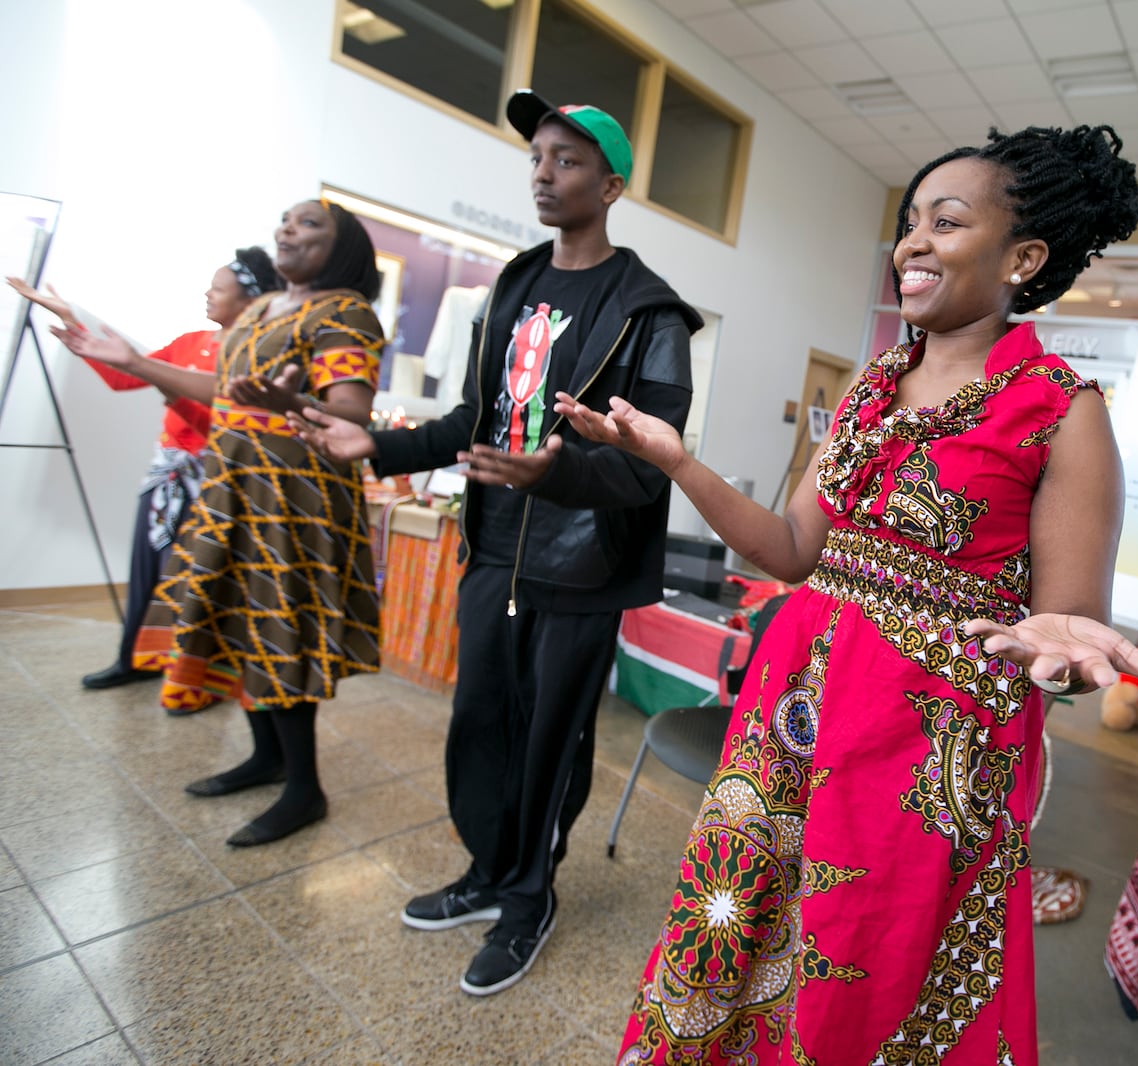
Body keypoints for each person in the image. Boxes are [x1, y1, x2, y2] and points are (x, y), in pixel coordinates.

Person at [557, 125, 1138, 1064]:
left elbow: (1067, 642)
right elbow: (793, 549)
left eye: (947, 221)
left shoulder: (1062, 410)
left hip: (926, 750)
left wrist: (1059, 654)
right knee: (737, 926)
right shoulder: (869, 386)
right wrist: (678, 463)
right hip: (790, 712)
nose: (914, 243)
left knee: (859, 967)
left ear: (1024, 257)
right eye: (908, 223)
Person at [291, 91, 698, 997]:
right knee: (480, 726)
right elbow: (478, 417)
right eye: (538, 158)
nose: (545, 174)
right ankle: (485, 872)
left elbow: (647, 467)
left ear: (613, 184)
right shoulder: (514, 284)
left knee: (548, 740)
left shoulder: (649, 315)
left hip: (579, 565)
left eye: (568, 160)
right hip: (493, 548)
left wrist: (550, 476)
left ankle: (527, 898)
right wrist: (382, 446)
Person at [49, 199, 386, 847]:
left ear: (343, 250)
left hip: (294, 496)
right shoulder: (260, 311)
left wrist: (293, 403)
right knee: (233, 614)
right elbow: (221, 391)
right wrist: (131, 360)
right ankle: (268, 758)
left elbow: (350, 411)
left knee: (279, 628)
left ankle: (304, 789)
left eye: (310, 224)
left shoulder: (344, 311)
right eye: (286, 219)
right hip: (231, 485)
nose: (288, 229)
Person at [7, 250, 283, 690]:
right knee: (147, 574)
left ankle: (194, 675)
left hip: (217, 483)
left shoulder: (252, 354)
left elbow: (232, 428)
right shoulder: (190, 342)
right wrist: (78, 329)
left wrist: (176, 398)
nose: (207, 294)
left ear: (248, 299)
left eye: (217, 288)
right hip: (165, 478)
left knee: (199, 582)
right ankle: (132, 660)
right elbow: (123, 376)